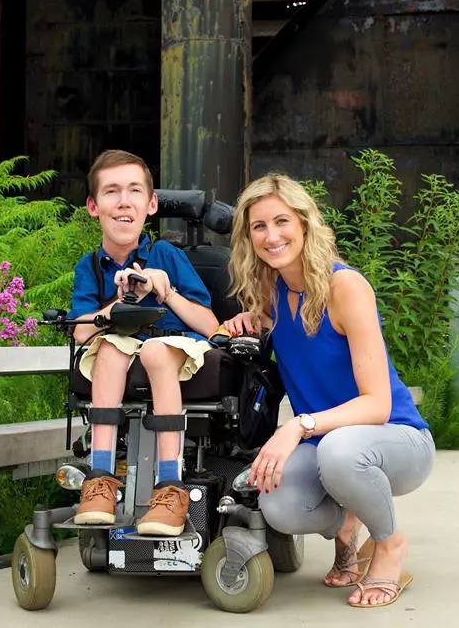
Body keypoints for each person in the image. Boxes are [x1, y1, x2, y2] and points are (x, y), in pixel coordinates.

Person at [222, 173, 435, 608]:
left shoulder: (346, 287)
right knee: (277, 501)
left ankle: (389, 543)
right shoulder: (272, 291)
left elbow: (377, 405)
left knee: (338, 451)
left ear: (304, 223)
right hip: (328, 445)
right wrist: (240, 319)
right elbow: (251, 326)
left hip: (397, 440)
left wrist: (298, 426)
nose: (271, 235)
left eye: (281, 221)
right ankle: (345, 525)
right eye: (258, 226)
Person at [68, 149, 220, 536]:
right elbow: (83, 331)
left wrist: (164, 290)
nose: (123, 201)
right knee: (112, 346)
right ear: (93, 206)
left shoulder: (166, 254)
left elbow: (210, 324)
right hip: (120, 348)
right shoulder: (90, 267)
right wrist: (124, 300)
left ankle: (171, 485)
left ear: (150, 204)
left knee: (152, 349)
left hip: (174, 345)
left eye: (135, 191)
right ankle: (100, 479)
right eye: (112, 192)